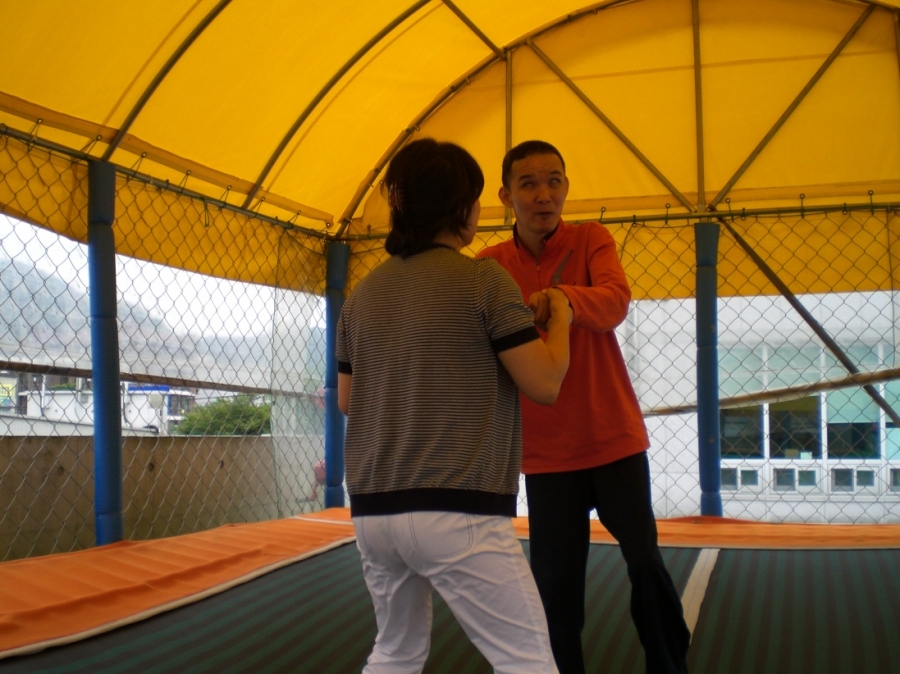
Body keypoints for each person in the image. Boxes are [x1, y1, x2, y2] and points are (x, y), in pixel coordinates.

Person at [335, 138, 573, 673]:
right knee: (528, 661)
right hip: (458, 506)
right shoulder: (484, 280)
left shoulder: (362, 296)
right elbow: (544, 383)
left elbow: (349, 400)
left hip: (374, 512)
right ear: (463, 206)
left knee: (394, 651)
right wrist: (561, 316)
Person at [477, 140, 691, 674]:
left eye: (554, 181)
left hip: (613, 437)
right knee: (555, 582)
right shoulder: (489, 266)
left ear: (566, 188)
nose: (543, 195)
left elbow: (616, 301)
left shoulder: (592, 238)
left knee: (644, 560)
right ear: (505, 196)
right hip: (546, 453)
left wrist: (565, 300)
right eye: (528, 184)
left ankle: (670, 664)